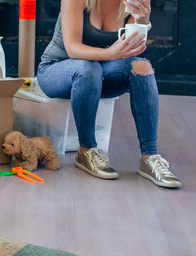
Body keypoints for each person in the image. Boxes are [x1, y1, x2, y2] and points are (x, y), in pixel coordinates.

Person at [37, 0, 180, 188]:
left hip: (98, 74)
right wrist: (111, 54)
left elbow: (131, 49)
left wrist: (143, 19)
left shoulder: (131, 1)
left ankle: (150, 157)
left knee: (141, 66)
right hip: (56, 71)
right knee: (89, 68)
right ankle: (86, 151)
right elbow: (72, 49)